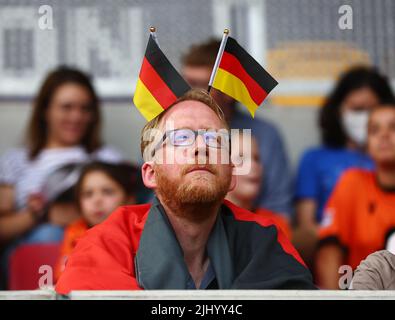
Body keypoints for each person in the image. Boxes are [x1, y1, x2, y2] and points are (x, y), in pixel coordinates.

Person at [55, 89, 315, 293]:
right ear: (150, 173)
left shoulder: (263, 238)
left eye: (214, 139)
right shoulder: (110, 240)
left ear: (232, 174)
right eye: (180, 138)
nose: (201, 147)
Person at [0, 67, 124, 267]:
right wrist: (39, 215)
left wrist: (78, 214)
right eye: (67, 107)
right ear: (45, 110)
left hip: (94, 247)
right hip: (36, 255)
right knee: (48, 234)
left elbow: (127, 213)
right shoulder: (15, 160)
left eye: (85, 109)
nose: (76, 117)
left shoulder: (108, 158)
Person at [293, 67, 394, 266]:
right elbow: (307, 229)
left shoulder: (385, 160)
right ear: (339, 109)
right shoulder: (315, 159)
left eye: (372, 110)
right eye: (357, 110)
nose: (365, 117)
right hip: (342, 262)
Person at [181, 39, 293, 217]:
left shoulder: (265, 135)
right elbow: (154, 199)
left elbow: (279, 208)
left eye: (200, 84)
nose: (188, 92)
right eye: (186, 82)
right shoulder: (168, 130)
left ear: (229, 90)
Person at [315, 102, 395, 289]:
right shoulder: (352, 182)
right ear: (366, 145)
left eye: (393, 127)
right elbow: (329, 250)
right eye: (374, 130)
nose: (384, 135)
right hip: (357, 291)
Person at [55, 162, 139, 281]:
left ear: (129, 199)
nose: (97, 200)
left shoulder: (140, 233)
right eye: (88, 194)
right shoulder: (74, 233)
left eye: (107, 192)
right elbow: (64, 278)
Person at [225, 132, 291, 239]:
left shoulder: (275, 224)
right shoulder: (208, 222)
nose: (253, 165)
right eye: (240, 158)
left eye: (256, 158)